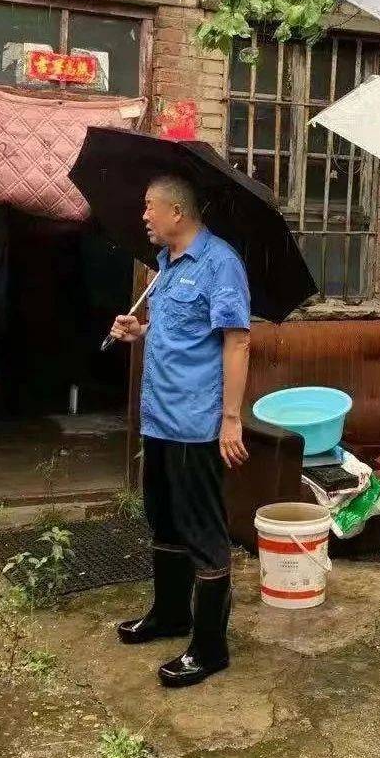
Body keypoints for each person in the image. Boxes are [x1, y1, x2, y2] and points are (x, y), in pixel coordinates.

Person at [109, 175, 251, 688]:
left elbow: (236, 343)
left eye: (150, 207)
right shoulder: (166, 264)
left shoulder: (220, 264)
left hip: (196, 422)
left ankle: (211, 647)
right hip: (161, 418)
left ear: (178, 212)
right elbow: (181, 335)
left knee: (202, 531)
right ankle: (171, 615)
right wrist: (138, 331)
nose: (144, 215)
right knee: (164, 519)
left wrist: (230, 420)